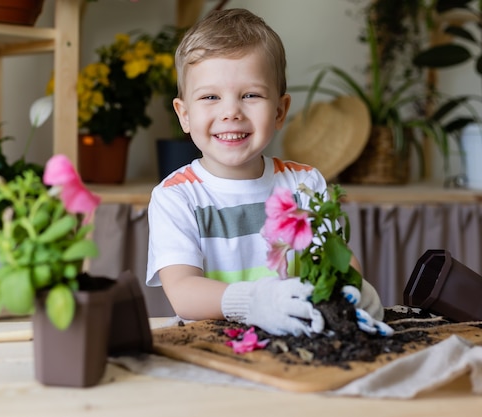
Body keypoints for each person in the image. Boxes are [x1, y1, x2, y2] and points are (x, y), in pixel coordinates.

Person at [146, 8, 384, 337]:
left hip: (300, 340)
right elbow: (183, 292)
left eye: (251, 95)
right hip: (214, 346)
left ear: (280, 111)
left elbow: (337, 261)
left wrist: (350, 291)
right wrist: (255, 300)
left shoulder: (304, 184)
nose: (231, 112)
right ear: (184, 115)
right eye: (210, 97)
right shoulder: (175, 196)